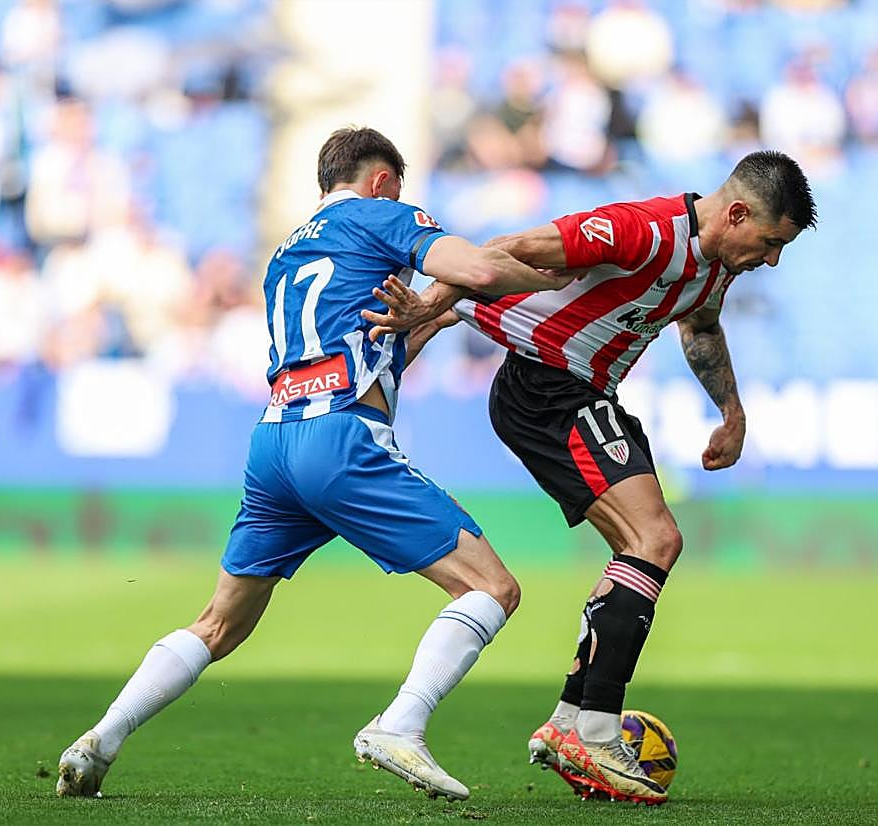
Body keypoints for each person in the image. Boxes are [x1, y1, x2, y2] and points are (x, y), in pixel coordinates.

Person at [54, 127, 574, 801]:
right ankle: (402, 725)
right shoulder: (385, 214)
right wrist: (551, 280)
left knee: (218, 623)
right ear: (383, 180)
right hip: (340, 439)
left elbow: (353, 353)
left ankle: (99, 740)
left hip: (275, 440)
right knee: (492, 589)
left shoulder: (283, 254)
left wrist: (423, 325)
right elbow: (473, 270)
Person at [365, 150, 817, 805]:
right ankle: (589, 727)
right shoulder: (645, 229)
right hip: (547, 386)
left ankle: (575, 726)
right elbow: (508, 247)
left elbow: (702, 326)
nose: (771, 260)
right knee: (653, 539)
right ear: (738, 212)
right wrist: (430, 307)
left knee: (651, 542)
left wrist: (732, 411)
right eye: (771, 243)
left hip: (578, 392)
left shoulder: (715, 266)